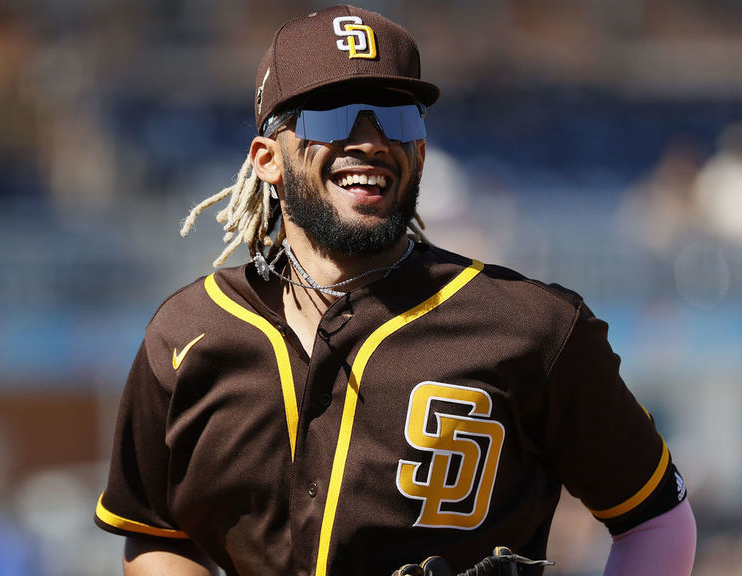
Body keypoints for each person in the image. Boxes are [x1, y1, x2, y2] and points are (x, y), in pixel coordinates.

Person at [94, 6, 696, 575]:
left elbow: (655, 520)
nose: (370, 140)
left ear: (422, 151)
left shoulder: (533, 328)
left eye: (397, 116)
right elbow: (155, 531)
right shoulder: (188, 332)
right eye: (332, 115)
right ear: (267, 158)